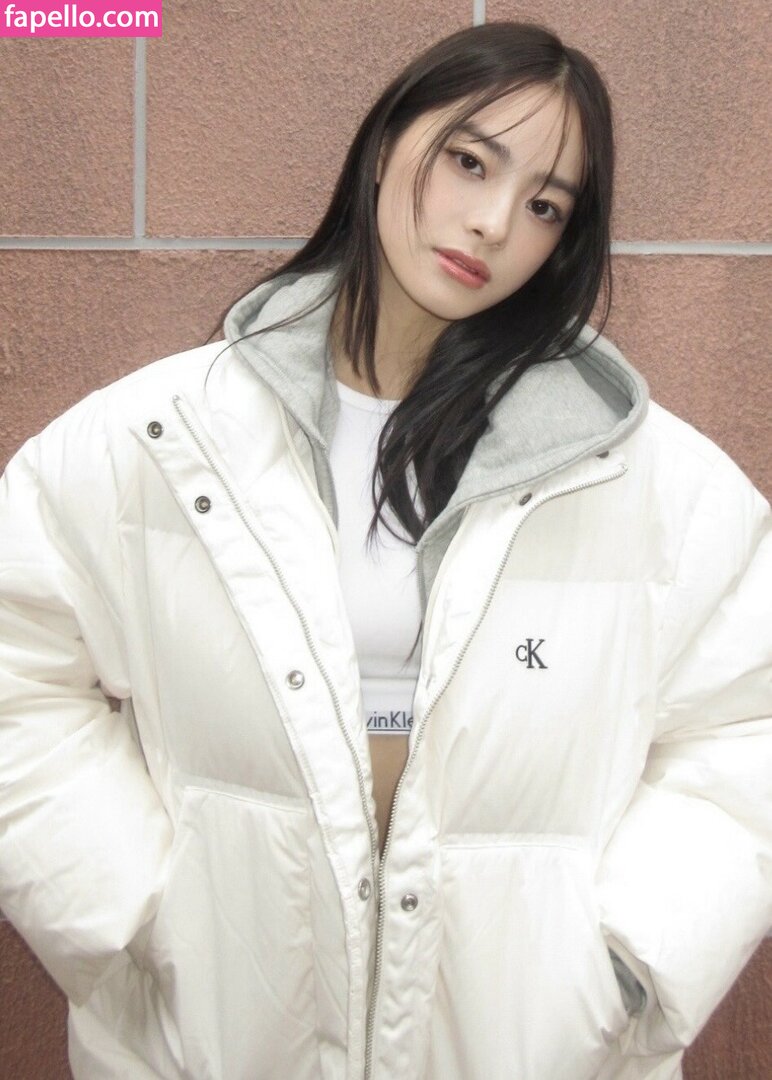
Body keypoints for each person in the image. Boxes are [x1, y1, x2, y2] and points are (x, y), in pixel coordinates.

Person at [0, 19, 769, 1080]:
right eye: (470, 162)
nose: (492, 222)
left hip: (522, 1044)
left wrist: (626, 968)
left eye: (545, 205)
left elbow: (747, 732)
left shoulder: (647, 481)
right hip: (217, 1033)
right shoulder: (166, 434)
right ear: (383, 146)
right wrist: (119, 914)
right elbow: (17, 665)